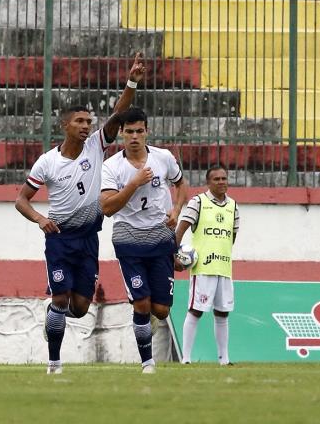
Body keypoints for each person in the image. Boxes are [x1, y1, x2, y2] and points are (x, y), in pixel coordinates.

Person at [15, 53, 146, 374]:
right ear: (65, 125)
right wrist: (40, 219)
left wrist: (132, 81)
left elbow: (118, 115)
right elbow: (21, 200)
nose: (87, 126)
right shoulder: (47, 162)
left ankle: (54, 316)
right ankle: (54, 363)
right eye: (80, 121)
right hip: (60, 239)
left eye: (89, 121)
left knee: (80, 307)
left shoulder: (95, 148)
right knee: (60, 299)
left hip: (89, 239)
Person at [100, 107, 189, 373]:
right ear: (122, 134)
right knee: (141, 303)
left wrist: (176, 210)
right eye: (129, 132)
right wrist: (134, 183)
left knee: (160, 310)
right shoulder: (111, 166)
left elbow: (181, 185)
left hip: (161, 237)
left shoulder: (163, 157)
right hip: (128, 239)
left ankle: (148, 313)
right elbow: (107, 208)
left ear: (147, 131)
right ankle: (147, 362)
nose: (135, 136)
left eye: (140, 131)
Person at [174, 164, 239, 365]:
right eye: (216, 179)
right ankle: (186, 359)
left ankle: (224, 360)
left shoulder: (233, 206)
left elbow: (232, 236)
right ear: (208, 183)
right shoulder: (198, 202)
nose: (221, 182)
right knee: (196, 310)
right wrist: (173, 255)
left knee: (222, 312)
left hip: (224, 268)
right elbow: (181, 228)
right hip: (203, 268)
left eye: (224, 178)